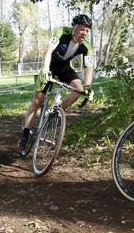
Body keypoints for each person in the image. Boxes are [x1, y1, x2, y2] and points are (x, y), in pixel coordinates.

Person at [17, 14, 94, 150]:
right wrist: (45, 69)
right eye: (82, 29)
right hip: (50, 65)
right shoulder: (61, 32)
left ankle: (54, 111)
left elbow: (88, 67)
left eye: (87, 30)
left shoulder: (86, 46)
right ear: (74, 28)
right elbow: (48, 51)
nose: (85, 33)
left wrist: (88, 86)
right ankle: (25, 133)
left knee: (79, 90)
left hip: (64, 68)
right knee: (37, 101)